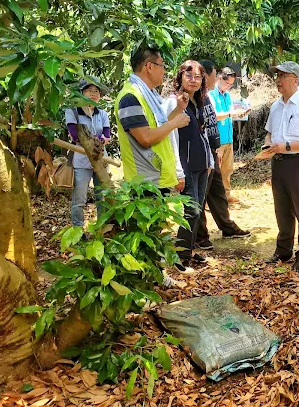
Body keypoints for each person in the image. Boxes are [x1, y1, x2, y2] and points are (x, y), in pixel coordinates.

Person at [114, 47, 191, 276]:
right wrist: (175, 123)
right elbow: (146, 137)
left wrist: (177, 110)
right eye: (162, 66)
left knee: (154, 232)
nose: (164, 72)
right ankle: (147, 281)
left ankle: (157, 277)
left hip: (155, 178)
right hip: (144, 180)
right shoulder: (130, 98)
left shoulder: (146, 96)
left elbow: (155, 128)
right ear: (149, 66)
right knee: (145, 235)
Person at [264, 61, 299, 271]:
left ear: (295, 80)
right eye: (277, 76)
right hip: (278, 164)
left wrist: (287, 146)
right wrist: (267, 144)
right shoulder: (276, 106)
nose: (278, 80)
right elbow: (269, 132)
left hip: (298, 163)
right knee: (282, 209)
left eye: (283, 76)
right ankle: (283, 250)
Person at [195, 61, 251, 250]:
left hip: (214, 147)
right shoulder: (199, 97)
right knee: (200, 195)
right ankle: (200, 236)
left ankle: (227, 227)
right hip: (203, 153)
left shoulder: (205, 96)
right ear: (211, 76)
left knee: (217, 189)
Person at [169, 60, 215, 266]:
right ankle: (179, 256)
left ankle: (189, 251)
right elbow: (169, 136)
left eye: (198, 77)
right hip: (185, 166)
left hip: (201, 164)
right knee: (192, 211)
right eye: (189, 76)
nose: (193, 80)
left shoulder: (199, 101)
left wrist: (210, 159)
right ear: (180, 77)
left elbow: (203, 133)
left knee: (198, 211)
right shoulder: (174, 102)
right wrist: (177, 170)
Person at [66, 77, 111, 228]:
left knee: (102, 197)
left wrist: (100, 140)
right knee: (79, 199)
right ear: (81, 93)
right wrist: (98, 139)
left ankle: (102, 229)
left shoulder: (102, 114)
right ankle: (78, 231)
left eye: (96, 91)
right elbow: (75, 135)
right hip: (81, 161)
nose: (93, 94)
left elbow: (107, 135)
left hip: (100, 160)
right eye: (89, 90)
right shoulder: (72, 112)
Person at [208, 66, 239, 203]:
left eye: (231, 85)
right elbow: (214, 116)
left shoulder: (227, 96)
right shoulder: (210, 94)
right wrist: (231, 114)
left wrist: (239, 113)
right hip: (217, 139)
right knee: (215, 172)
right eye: (227, 83)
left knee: (227, 169)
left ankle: (226, 195)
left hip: (228, 138)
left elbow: (230, 114)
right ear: (219, 78)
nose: (229, 87)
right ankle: (212, 200)